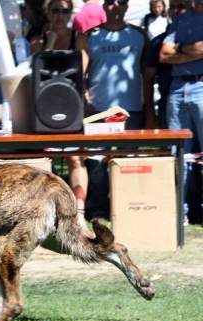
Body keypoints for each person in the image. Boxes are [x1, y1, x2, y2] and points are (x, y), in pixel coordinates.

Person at [75, 0, 149, 221]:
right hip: (100, 111)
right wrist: (86, 99)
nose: (116, 5)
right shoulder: (91, 36)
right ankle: (98, 211)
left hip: (131, 110)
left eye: (121, 2)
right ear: (104, 6)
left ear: (127, 6)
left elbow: (147, 74)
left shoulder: (140, 35)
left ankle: (128, 207)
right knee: (97, 163)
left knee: (129, 162)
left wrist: (149, 110)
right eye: (110, 1)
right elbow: (80, 73)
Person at [32, 0, 90, 222]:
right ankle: (49, 212)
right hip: (44, 106)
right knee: (46, 160)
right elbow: (36, 67)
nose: (60, 15)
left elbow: (80, 71)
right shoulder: (38, 39)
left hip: (72, 105)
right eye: (56, 10)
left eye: (66, 11)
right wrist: (52, 42)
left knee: (75, 159)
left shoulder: (80, 38)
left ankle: (79, 211)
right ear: (48, 12)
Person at [160, 0, 203, 225]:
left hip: (200, 86)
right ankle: (181, 212)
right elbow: (165, 55)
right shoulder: (180, 21)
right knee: (178, 152)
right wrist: (192, 50)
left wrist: (180, 47)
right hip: (177, 87)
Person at [143, 0, 190, 130]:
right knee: (172, 149)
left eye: (181, 7)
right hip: (168, 103)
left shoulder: (198, 37)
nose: (175, 11)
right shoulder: (157, 42)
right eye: (172, 7)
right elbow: (148, 79)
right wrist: (150, 113)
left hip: (197, 99)